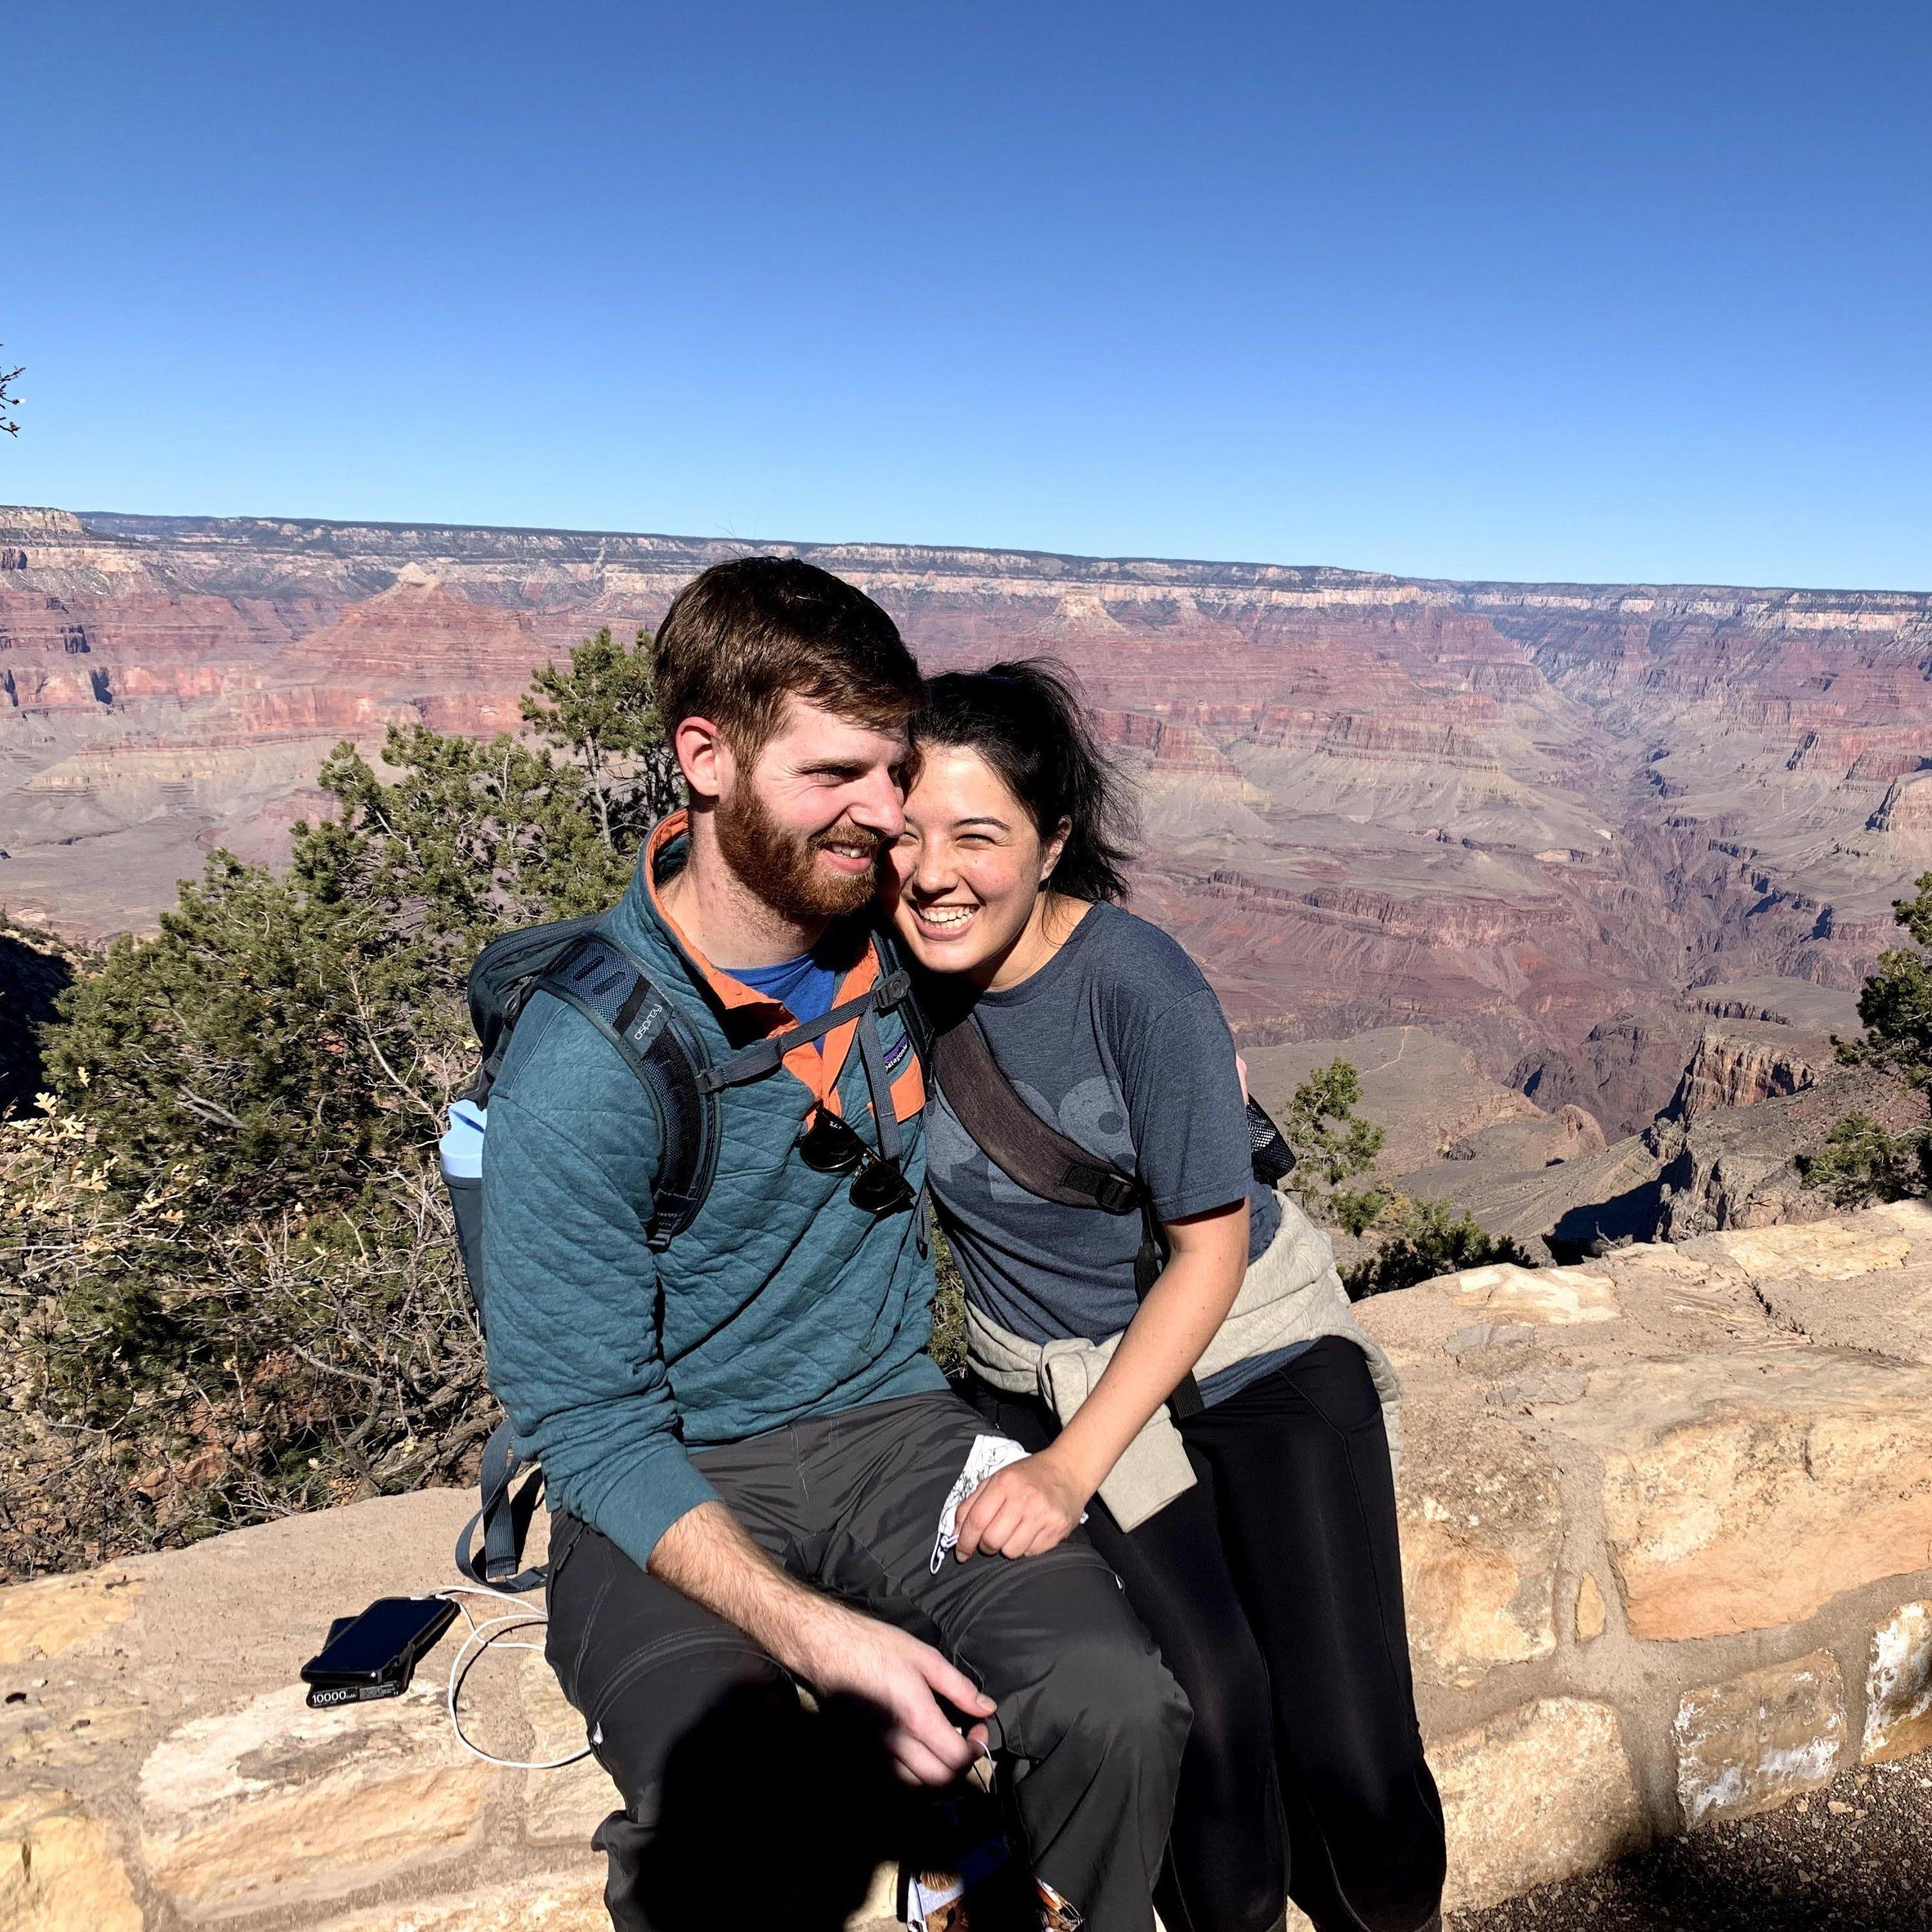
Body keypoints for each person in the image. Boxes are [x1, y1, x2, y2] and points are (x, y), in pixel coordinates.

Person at [480, 565, 1189, 1932]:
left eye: (896, 767)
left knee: (1116, 1704)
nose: (887, 819)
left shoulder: (897, 937)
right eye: (837, 774)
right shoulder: (589, 1058)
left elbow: (1068, 965)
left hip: (898, 1432)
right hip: (671, 1477)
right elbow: (587, 1422)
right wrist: (816, 1634)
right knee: (738, 1827)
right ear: (705, 757)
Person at [886, 661, 1446, 1932]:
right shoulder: (886, 968)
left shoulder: (1141, 985)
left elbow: (1208, 1252)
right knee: (1214, 1724)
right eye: (907, 832)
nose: (934, 872)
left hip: (1248, 1343)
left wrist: (1068, 1474)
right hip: (1056, 1367)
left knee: (1358, 1775)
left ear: (1055, 841)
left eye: (979, 835)